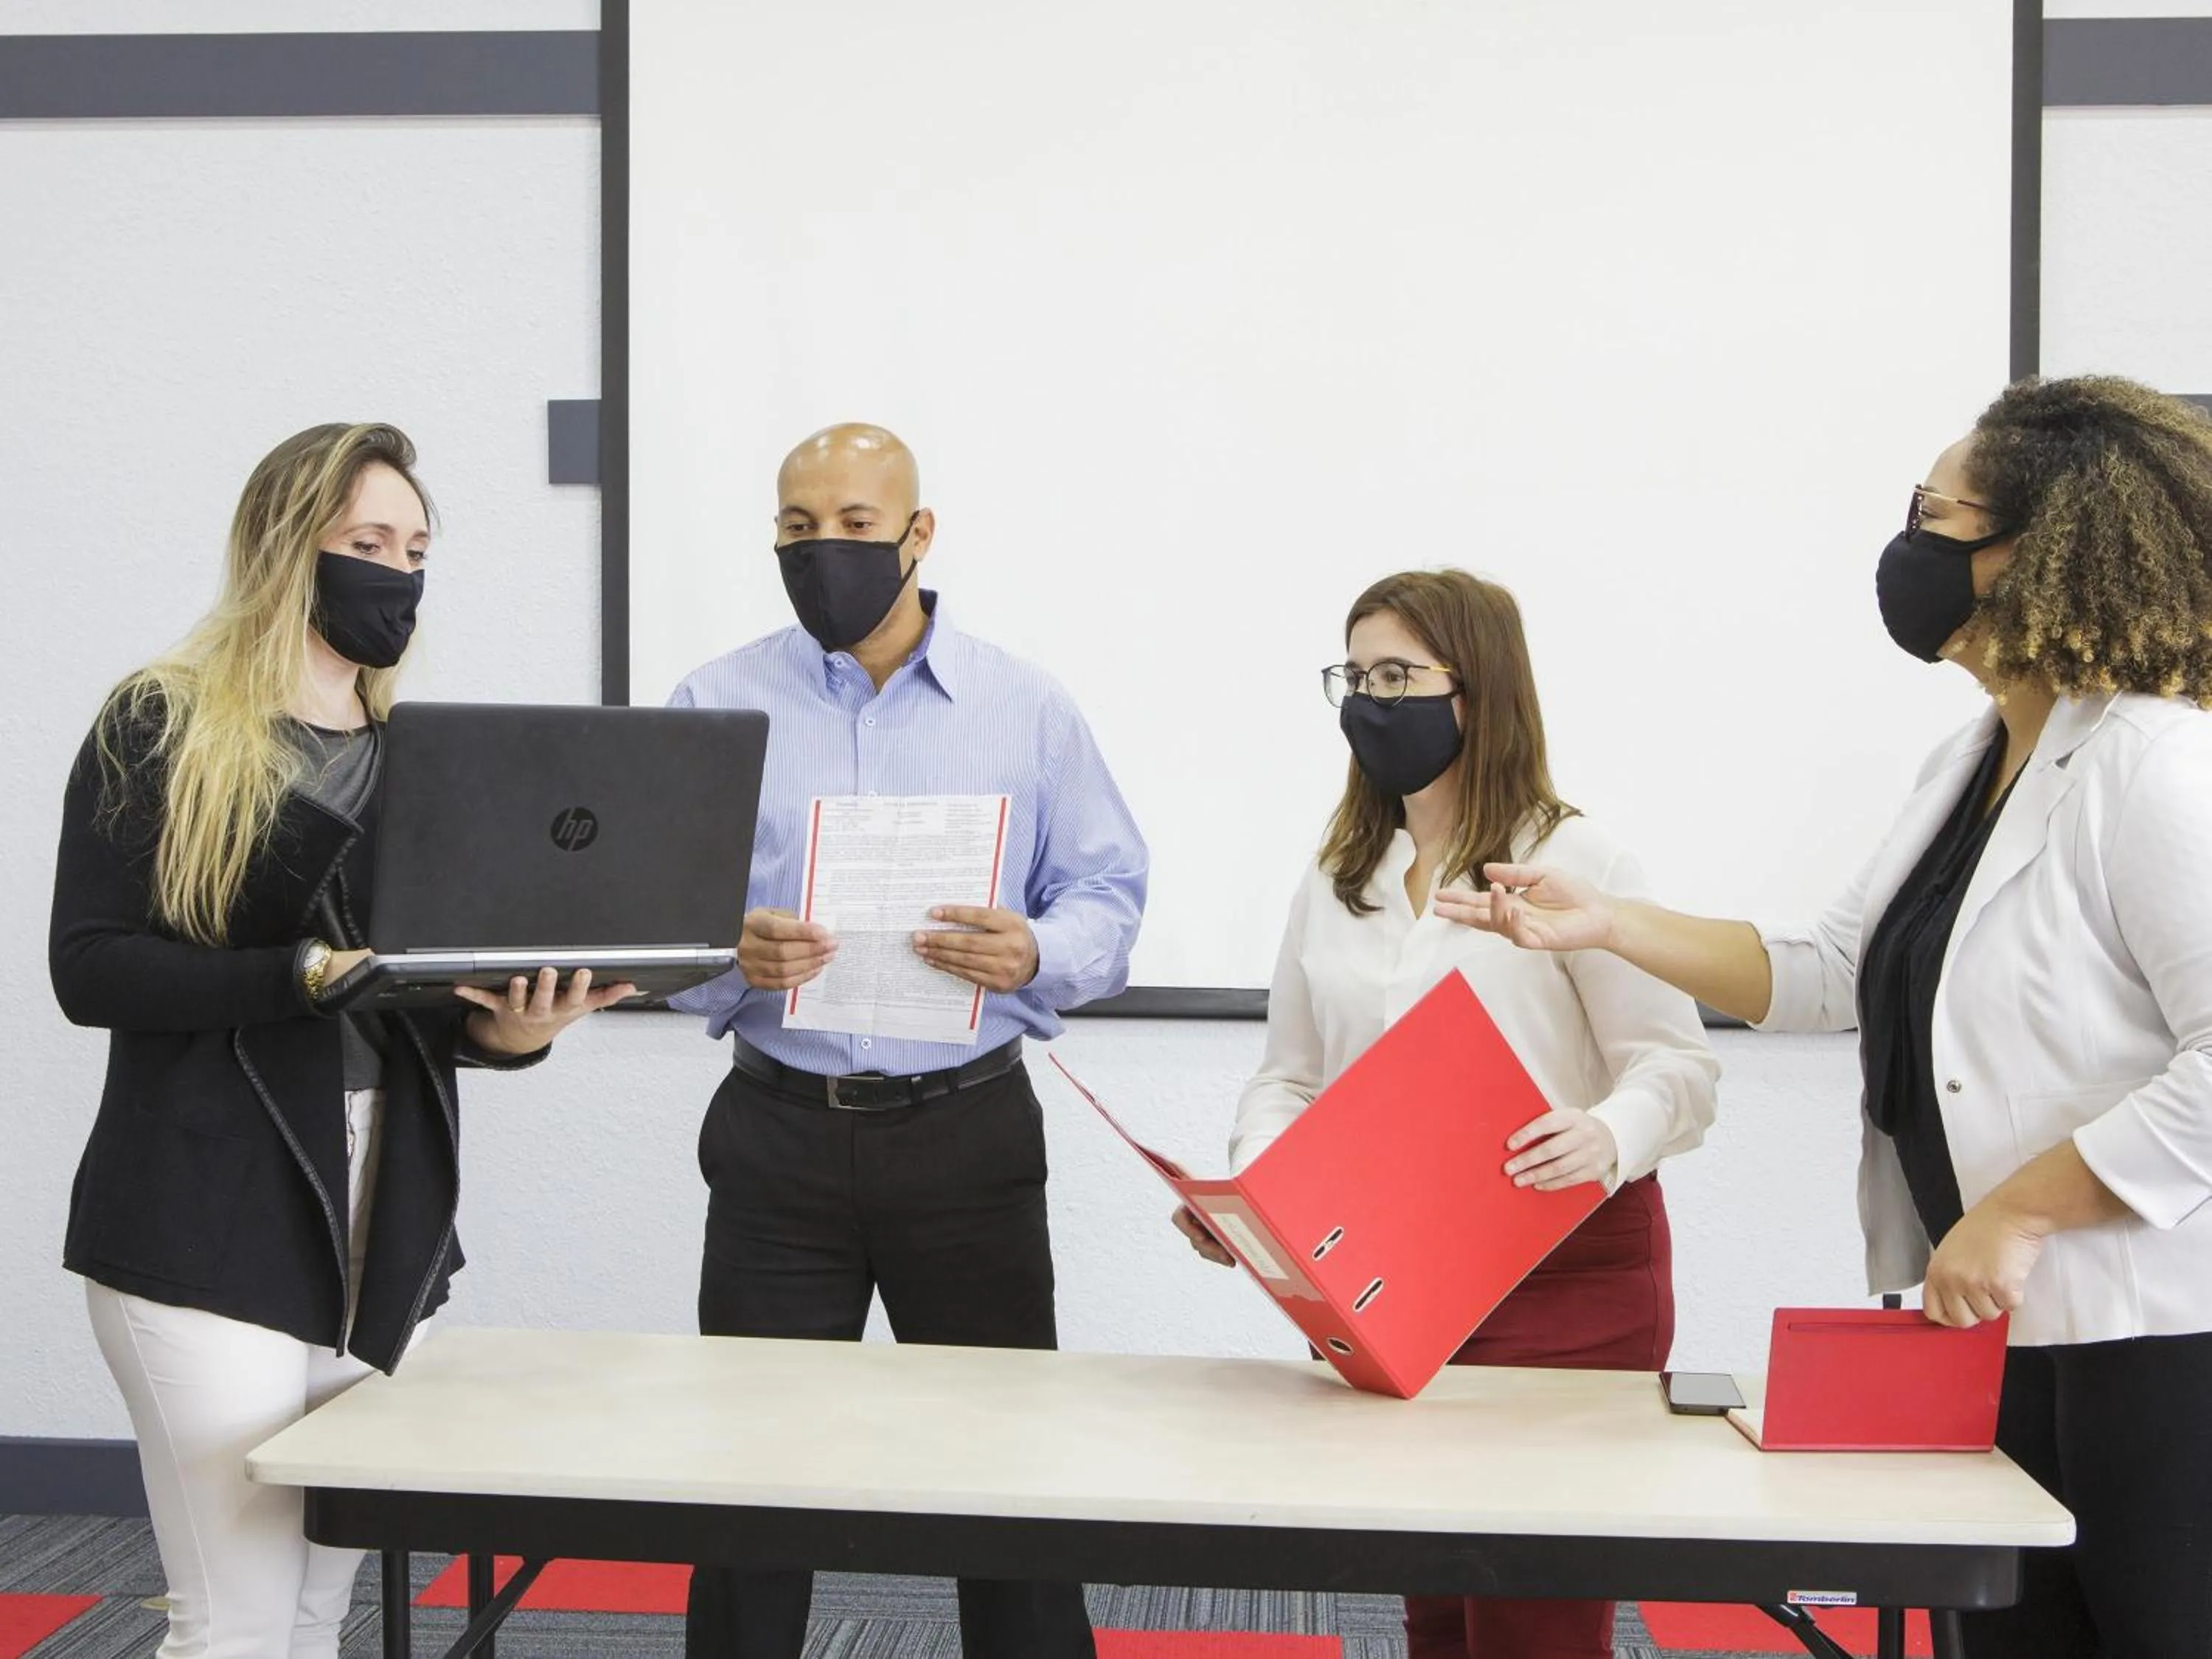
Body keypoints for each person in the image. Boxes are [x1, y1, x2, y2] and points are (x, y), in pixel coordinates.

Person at [1453, 375, 2212, 1659]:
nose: (1908, 545)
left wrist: (2021, 1208)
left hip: (2151, 1333)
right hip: (1996, 1320)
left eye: (1937, 515)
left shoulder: (2149, 763)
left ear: (2040, 547)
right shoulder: (1971, 761)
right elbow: (1830, 968)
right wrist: (1608, 923)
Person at [48, 422, 633, 1659]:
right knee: (238, 1617)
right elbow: (89, 967)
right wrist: (297, 974)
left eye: (416, 549)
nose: (398, 575)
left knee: (320, 1607)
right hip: (204, 1223)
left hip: (384, 1215)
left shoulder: (415, 762)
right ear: (284, 547)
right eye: (367, 542)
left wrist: (513, 1030)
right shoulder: (160, 724)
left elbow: (408, 1004)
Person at [1174, 568, 1718, 1659]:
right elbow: (1288, 1076)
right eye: (1356, 675)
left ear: (1479, 692)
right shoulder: (1339, 874)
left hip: (1566, 1267)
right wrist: (1261, 1185)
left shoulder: (1577, 858)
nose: (1369, 701)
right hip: (1400, 1271)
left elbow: (1678, 1067)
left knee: (1535, 1609)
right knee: (1433, 1594)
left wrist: (1609, 1134)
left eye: (1398, 676)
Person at [667, 422, 1147, 1659]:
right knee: (753, 1491)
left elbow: (1108, 894)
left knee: (1008, 1490)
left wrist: (1037, 951)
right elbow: (645, 928)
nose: (823, 549)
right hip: (778, 1136)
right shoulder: (712, 703)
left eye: (855, 526)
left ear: (919, 535)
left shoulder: (1025, 705)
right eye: (796, 529)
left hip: (967, 1138)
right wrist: (728, 950)